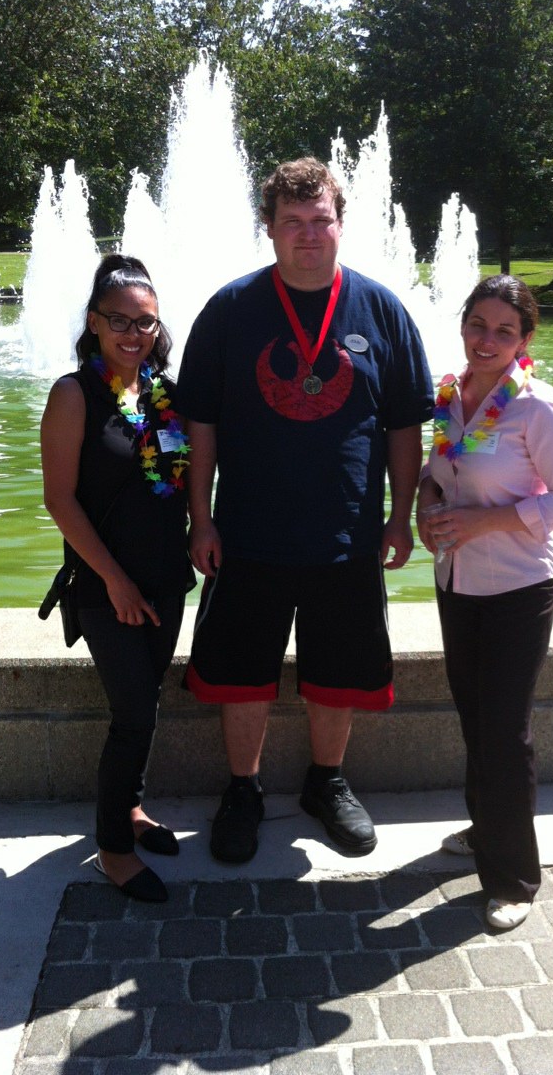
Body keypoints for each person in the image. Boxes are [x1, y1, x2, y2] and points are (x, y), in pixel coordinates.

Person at [176, 157, 433, 864]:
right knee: (242, 670)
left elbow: (406, 425)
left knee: (339, 670)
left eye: (321, 220)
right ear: (270, 230)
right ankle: (243, 789)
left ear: (341, 224)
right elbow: (200, 423)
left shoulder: (380, 310)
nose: (308, 235)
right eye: (293, 223)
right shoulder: (231, 310)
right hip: (249, 532)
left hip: (346, 535)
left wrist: (400, 515)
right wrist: (202, 518)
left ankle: (327, 782)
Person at [417, 274, 553, 930]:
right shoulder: (445, 396)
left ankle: (514, 876)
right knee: (473, 715)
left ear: (524, 341)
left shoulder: (535, 407)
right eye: (478, 325)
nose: (487, 340)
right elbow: (438, 477)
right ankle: (485, 827)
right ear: (463, 325)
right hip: (457, 582)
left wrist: (486, 524)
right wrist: (425, 510)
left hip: (520, 587)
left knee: (506, 730)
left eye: (504, 331)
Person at [40, 255, 194, 902]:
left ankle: (129, 808)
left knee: (147, 701)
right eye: (122, 321)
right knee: (132, 711)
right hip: (107, 587)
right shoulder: (74, 394)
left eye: (147, 323)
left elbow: (181, 483)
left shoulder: (163, 391)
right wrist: (114, 581)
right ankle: (112, 848)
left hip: (166, 579)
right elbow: (60, 500)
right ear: (96, 322)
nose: (135, 334)